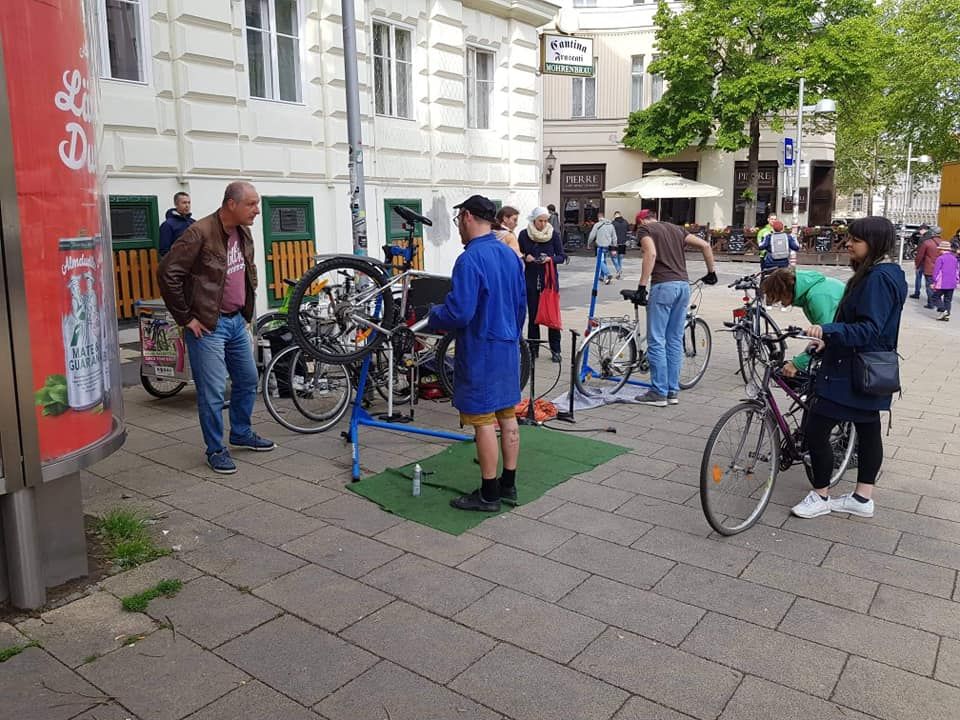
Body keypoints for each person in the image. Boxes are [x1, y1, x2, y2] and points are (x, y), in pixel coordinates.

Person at [792, 216, 907, 519]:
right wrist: (827, 342)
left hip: (852, 371)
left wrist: (827, 331)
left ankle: (820, 495)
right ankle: (861, 499)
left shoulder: (877, 279)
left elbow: (869, 329)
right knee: (868, 430)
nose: (848, 244)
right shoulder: (885, 273)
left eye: (856, 240)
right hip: (866, 368)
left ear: (875, 243)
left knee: (816, 430)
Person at [158, 181, 274, 474]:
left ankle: (241, 432)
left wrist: (246, 311)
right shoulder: (199, 232)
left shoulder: (243, 231)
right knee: (213, 391)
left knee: (247, 379)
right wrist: (186, 318)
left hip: (236, 321)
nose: (257, 210)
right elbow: (167, 273)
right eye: (251, 204)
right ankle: (215, 449)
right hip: (209, 325)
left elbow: (246, 271)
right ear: (231, 204)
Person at [427, 195, 526, 512]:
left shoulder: (469, 259)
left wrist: (434, 314)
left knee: (483, 421)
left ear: (468, 216)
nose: (458, 227)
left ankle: (489, 494)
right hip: (508, 346)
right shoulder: (509, 254)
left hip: (481, 349)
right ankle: (508, 484)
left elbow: (460, 312)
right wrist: (511, 334)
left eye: (458, 220)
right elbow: (521, 306)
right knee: (507, 415)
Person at [633, 209, 718, 406]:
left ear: (641, 222)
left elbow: (651, 253)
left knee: (656, 339)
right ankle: (672, 391)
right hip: (683, 287)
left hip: (663, 286)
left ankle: (658, 392)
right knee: (674, 340)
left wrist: (642, 286)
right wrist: (711, 272)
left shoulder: (645, 230)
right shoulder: (676, 229)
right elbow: (705, 245)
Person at [760, 268, 845, 377]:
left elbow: (830, 337)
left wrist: (797, 364)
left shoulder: (816, 297)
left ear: (785, 291)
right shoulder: (809, 291)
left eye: (780, 299)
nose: (782, 304)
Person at [518, 206, 566, 363]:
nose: (543, 224)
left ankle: (556, 350)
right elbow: (518, 253)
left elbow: (562, 256)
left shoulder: (553, 234)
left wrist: (550, 259)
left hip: (549, 280)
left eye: (546, 221)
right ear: (534, 220)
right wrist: (526, 257)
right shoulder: (524, 235)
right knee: (533, 315)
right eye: (540, 221)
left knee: (552, 315)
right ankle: (533, 350)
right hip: (531, 279)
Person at [158, 191, 195, 257]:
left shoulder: (193, 222)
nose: (187, 205)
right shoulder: (167, 225)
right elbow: (164, 250)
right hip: (178, 261)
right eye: (184, 203)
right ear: (176, 204)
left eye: (189, 202)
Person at [932, 240, 958, 321]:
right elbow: (957, 270)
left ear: (942, 249)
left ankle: (943, 310)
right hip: (952, 282)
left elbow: (936, 271)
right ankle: (946, 315)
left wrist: (934, 281)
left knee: (935, 297)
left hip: (942, 282)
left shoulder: (940, 258)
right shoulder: (954, 258)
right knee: (948, 299)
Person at [588, 211, 617, 285]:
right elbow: (614, 237)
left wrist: (589, 243)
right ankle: (601, 276)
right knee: (603, 260)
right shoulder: (611, 225)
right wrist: (614, 246)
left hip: (600, 246)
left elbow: (592, 235)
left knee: (600, 261)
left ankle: (607, 274)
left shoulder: (597, 225)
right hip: (608, 246)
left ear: (598, 217)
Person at [914, 226, 940, 309]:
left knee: (929, 285)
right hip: (940, 268)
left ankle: (931, 303)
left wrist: (917, 265)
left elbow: (920, 255)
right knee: (938, 285)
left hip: (929, 267)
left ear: (932, 232)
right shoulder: (944, 243)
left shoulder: (927, 243)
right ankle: (938, 301)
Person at [909, 223, 931, 299]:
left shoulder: (922, 239)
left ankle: (917, 293)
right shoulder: (932, 237)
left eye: (920, 230)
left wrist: (916, 263)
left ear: (923, 230)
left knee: (918, 277)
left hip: (922, 261)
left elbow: (920, 252)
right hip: (930, 262)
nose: (919, 232)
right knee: (929, 280)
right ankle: (930, 298)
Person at [612, 210, 629, 279]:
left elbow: (611, 233)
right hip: (623, 243)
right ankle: (619, 272)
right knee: (620, 258)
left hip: (615, 244)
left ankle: (618, 270)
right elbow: (628, 231)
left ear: (614, 216)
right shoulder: (626, 222)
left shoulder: (613, 223)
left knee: (614, 258)